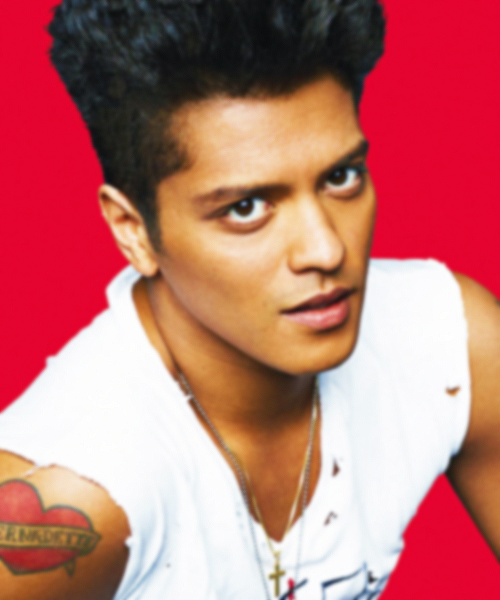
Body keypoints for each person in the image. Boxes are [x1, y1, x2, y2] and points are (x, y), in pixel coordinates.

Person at [0, 0, 498, 598]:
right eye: (245, 208)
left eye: (341, 177)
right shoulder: (79, 492)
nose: (326, 249)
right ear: (133, 231)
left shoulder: (448, 343)